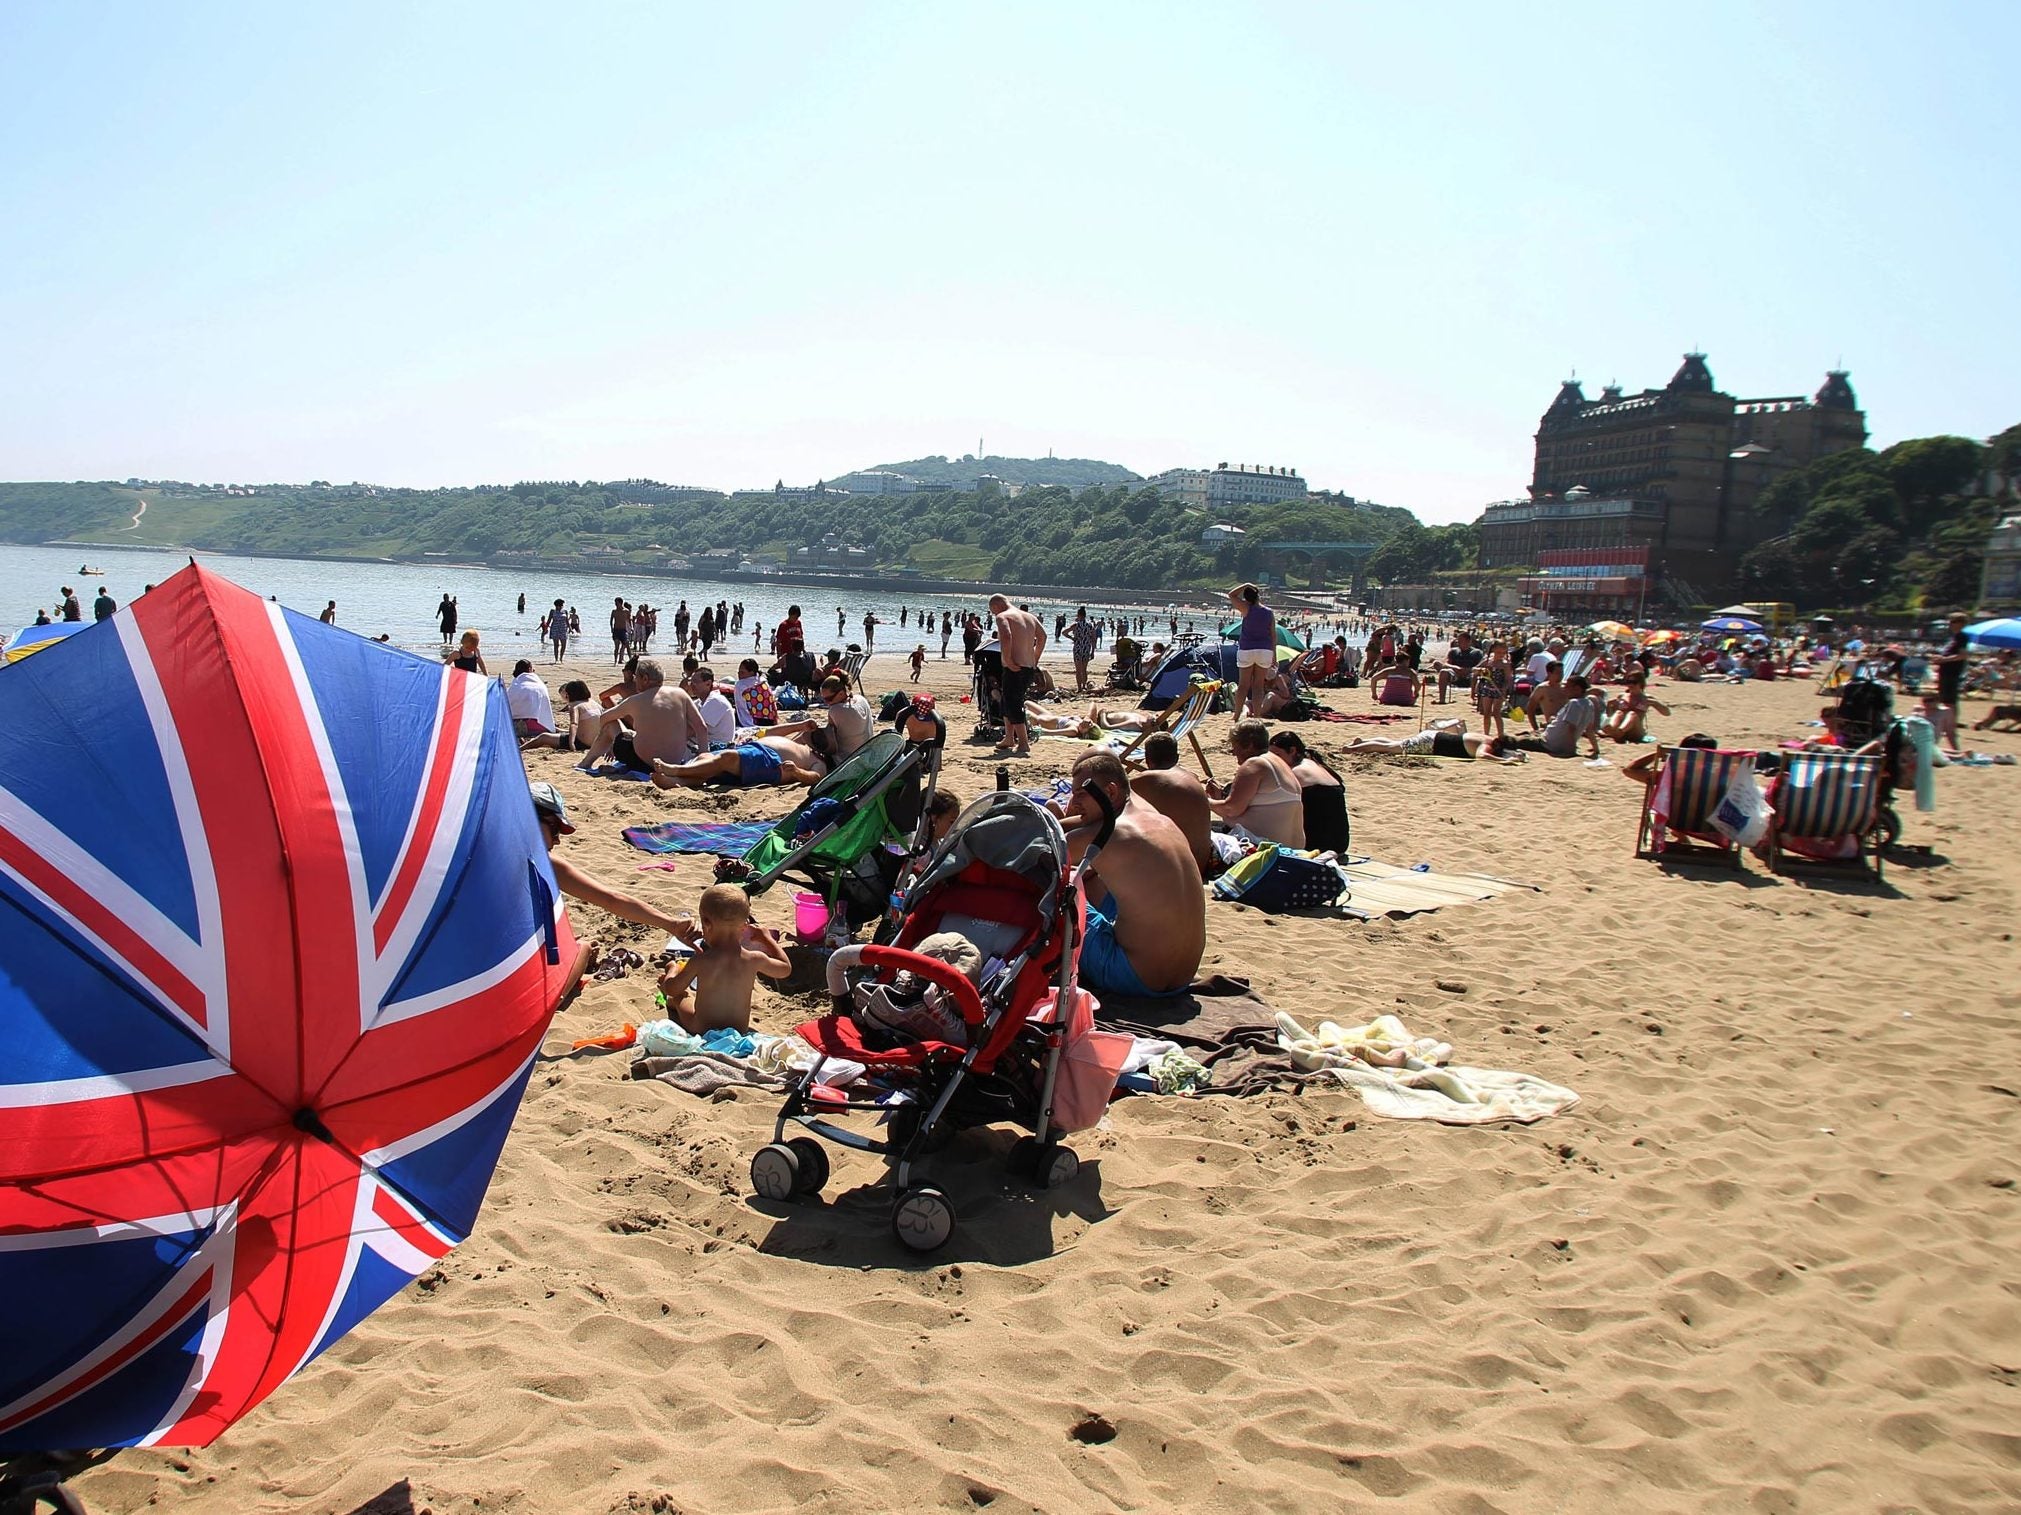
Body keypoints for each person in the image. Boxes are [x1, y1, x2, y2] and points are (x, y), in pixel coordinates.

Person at [1059, 751, 1205, 997]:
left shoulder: (1107, 834)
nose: (1074, 804)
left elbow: (1039, 854)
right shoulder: (1161, 821)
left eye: (1081, 795)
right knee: (1096, 882)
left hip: (1133, 978)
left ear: (1111, 792)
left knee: (1054, 893)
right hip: (1183, 977)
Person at [530, 781, 694, 936]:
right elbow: (611, 900)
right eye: (554, 830)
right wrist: (672, 925)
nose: (557, 840)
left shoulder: (526, 857)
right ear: (528, 819)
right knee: (583, 948)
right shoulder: (544, 863)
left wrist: (672, 924)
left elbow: (612, 900)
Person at [654, 884, 793, 1035]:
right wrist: (767, 939)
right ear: (745, 925)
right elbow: (785, 969)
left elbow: (673, 989)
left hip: (701, 1028)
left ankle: (674, 998)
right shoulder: (754, 959)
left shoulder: (701, 960)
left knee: (682, 996)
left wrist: (672, 971)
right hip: (739, 1030)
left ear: (706, 924)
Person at [577, 657, 707, 774]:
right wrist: (702, 758)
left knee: (610, 725)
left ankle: (585, 763)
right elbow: (701, 727)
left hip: (644, 763)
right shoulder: (680, 694)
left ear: (645, 679)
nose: (635, 681)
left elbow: (604, 717)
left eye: (636, 678)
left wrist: (611, 745)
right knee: (633, 733)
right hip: (674, 762)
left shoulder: (636, 700)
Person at [1126, 732, 1215, 879]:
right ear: (1177, 757)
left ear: (1147, 760)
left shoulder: (1147, 781)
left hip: (1179, 869)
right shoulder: (1192, 777)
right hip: (1202, 864)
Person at [1206, 720, 1306, 847]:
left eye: (1234, 745)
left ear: (1249, 745)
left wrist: (1203, 799)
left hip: (1266, 850)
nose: (1233, 751)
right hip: (1293, 849)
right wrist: (1218, 799)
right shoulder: (1278, 763)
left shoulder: (1255, 764)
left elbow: (1231, 809)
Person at [651, 729, 830, 790]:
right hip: (756, 750)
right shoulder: (804, 744)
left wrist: (797, 771)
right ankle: (678, 782)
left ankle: (676, 770)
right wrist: (801, 726)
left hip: (771, 761)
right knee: (706, 759)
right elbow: (771, 731)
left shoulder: (819, 762)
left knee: (726, 758)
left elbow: (815, 778)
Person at [1268, 730, 1349, 853]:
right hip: (1340, 843)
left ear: (1292, 751)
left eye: (1277, 755)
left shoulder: (1295, 772)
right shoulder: (1317, 765)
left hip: (1317, 844)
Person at [989, 593, 1046, 757]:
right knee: (1008, 700)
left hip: (1014, 666)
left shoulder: (1002, 616)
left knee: (1014, 703)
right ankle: (1008, 738)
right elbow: (1042, 637)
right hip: (1028, 666)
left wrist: (1007, 659)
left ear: (996, 606)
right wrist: (1035, 657)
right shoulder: (1029, 616)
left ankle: (1023, 742)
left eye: (993, 611)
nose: (994, 614)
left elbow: (1006, 636)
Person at [772, 673, 874, 761]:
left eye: (829, 699)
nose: (826, 703)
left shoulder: (836, 710)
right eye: (823, 699)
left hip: (845, 759)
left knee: (806, 735)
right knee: (807, 732)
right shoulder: (861, 699)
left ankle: (782, 751)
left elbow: (829, 742)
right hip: (866, 753)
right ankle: (784, 749)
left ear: (841, 693)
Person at [1338, 725, 1525, 762]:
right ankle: (1352, 749)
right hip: (1432, 743)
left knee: (1398, 743)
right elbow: (1481, 756)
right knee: (1391, 749)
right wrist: (1504, 761)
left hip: (1434, 737)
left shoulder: (1486, 737)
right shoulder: (1488, 745)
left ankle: (1362, 741)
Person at [1230, 583, 1276, 719]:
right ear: (1258, 596)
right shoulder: (1268, 612)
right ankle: (1257, 716)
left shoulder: (1246, 608)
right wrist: (1274, 655)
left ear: (1246, 598)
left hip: (1247, 649)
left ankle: (1236, 715)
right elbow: (1273, 635)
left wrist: (1245, 585)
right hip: (1265, 650)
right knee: (1258, 686)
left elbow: (1231, 594)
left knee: (1243, 685)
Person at [1932, 611, 1970, 754]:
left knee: (1950, 701)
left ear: (1960, 623)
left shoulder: (1961, 637)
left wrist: (1944, 660)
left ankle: (1951, 725)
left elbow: (1963, 655)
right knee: (1946, 699)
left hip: (1952, 673)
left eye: (1952, 622)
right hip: (1946, 672)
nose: (1950, 624)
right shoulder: (1954, 638)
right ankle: (1949, 724)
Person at [522, 680, 598, 751]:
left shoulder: (575, 706)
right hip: (597, 742)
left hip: (582, 743)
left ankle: (521, 748)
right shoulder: (594, 703)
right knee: (554, 739)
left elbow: (574, 725)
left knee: (544, 737)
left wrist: (571, 743)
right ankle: (529, 743)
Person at [1600, 669, 1670, 744]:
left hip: (1636, 732)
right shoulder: (1621, 696)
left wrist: (1656, 703)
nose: (1631, 685)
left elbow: (1667, 713)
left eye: (1634, 682)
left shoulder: (1646, 698)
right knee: (1619, 712)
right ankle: (1611, 728)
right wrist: (1609, 706)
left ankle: (1619, 732)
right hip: (1621, 730)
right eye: (1629, 682)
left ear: (1641, 683)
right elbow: (1610, 714)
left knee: (1632, 714)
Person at [686, 665, 737, 749]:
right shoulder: (700, 702)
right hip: (701, 743)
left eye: (695, 681)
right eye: (691, 681)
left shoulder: (716, 701)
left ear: (708, 683)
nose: (692, 685)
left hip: (716, 747)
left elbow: (694, 729)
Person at [506, 659, 556, 739]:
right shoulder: (539, 684)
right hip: (538, 726)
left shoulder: (514, 687)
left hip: (515, 726)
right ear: (529, 669)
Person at [1435, 631, 1484, 704]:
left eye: (1461, 641)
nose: (1459, 642)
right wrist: (1455, 667)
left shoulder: (1477, 652)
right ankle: (1442, 699)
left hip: (1470, 674)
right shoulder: (1454, 651)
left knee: (1476, 675)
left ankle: (1472, 697)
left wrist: (1469, 670)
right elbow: (1446, 663)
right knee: (1443, 672)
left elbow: (1480, 665)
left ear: (1469, 641)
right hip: (1456, 673)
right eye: (1459, 641)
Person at [1070, 607, 1100, 693]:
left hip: (1078, 648)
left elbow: (1064, 632)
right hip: (1086, 647)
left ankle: (1079, 688)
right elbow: (1094, 639)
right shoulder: (1090, 625)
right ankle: (1084, 686)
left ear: (1078, 615)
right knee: (1084, 669)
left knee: (1078, 670)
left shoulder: (1076, 625)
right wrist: (1093, 651)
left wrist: (1072, 638)